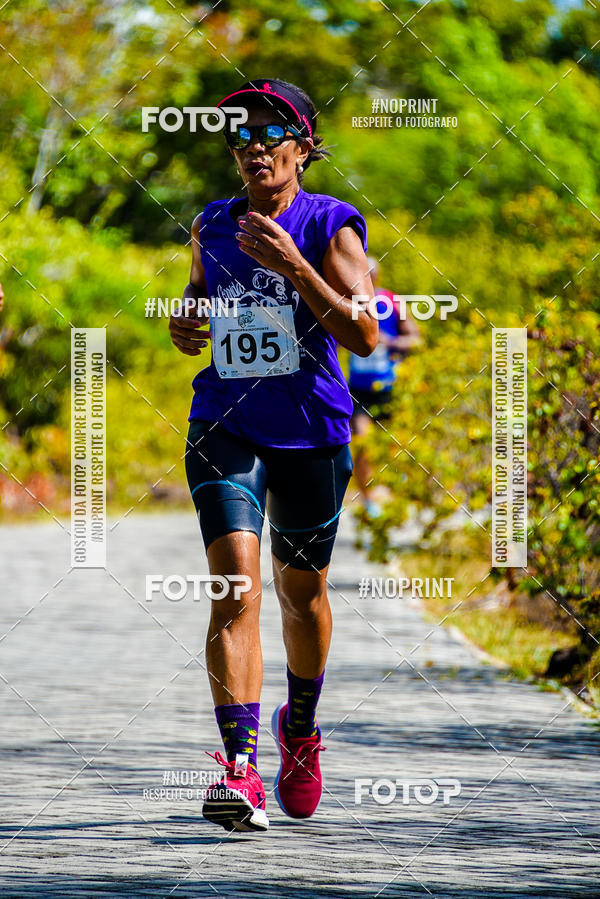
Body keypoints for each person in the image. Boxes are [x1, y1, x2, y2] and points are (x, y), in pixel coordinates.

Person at [168, 79, 377, 833]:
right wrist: (187, 321)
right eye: (241, 135)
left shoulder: (331, 224)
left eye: (271, 133)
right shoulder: (213, 224)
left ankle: (301, 728)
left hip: (311, 432)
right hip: (223, 421)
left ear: (302, 146)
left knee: (304, 596)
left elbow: (364, 334)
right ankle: (238, 771)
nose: (255, 145)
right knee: (235, 589)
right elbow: (199, 295)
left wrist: (297, 267)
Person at [348, 258, 421, 516]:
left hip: (389, 387)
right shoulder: (349, 302)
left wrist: (390, 342)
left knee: (396, 445)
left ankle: (396, 493)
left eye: (369, 275)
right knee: (361, 442)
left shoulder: (391, 302)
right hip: (359, 390)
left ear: (377, 276)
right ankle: (368, 501)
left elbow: (415, 340)